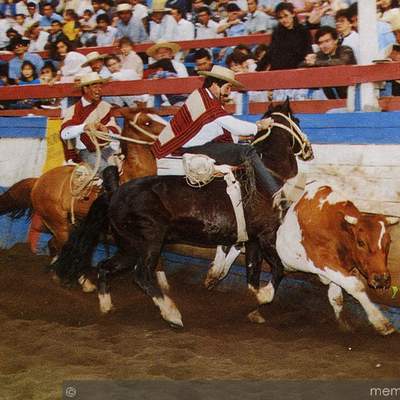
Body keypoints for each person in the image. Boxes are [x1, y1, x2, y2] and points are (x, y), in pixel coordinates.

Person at [152, 65, 281, 197]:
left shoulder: (203, 98)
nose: (228, 92)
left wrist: (242, 138)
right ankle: (275, 193)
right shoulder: (208, 102)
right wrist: (259, 126)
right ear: (214, 85)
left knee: (241, 148)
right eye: (227, 87)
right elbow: (233, 126)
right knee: (247, 151)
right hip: (191, 149)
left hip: (192, 146)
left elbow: (211, 130)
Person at [60, 71, 121, 171]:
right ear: (85, 88)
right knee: (108, 171)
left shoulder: (105, 107)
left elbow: (115, 129)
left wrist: (107, 130)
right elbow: (64, 133)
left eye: (100, 87)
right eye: (95, 87)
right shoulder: (73, 110)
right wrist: (84, 127)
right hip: (85, 151)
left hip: (108, 149)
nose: (99, 90)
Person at [301, 25, 356, 98]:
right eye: (320, 43)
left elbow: (342, 62)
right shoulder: (321, 54)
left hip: (352, 94)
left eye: (327, 41)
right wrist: (308, 61)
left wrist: (315, 62)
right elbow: (301, 65)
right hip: (332, 97)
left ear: (336, 40)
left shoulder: (345, 49)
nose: (324, 45)